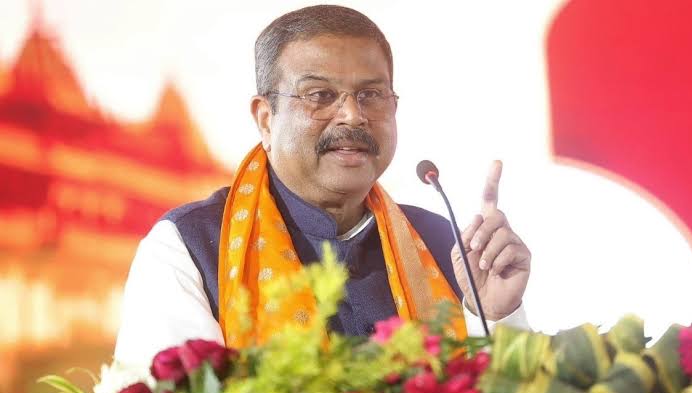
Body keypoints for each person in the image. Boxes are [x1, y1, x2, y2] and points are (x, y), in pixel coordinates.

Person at [114, 4, 531, 365]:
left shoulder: (445, 244)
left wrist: (496, 317)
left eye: (371, 95)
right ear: (266, 119)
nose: (352, 115)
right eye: (320, 95)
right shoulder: (189, 245)